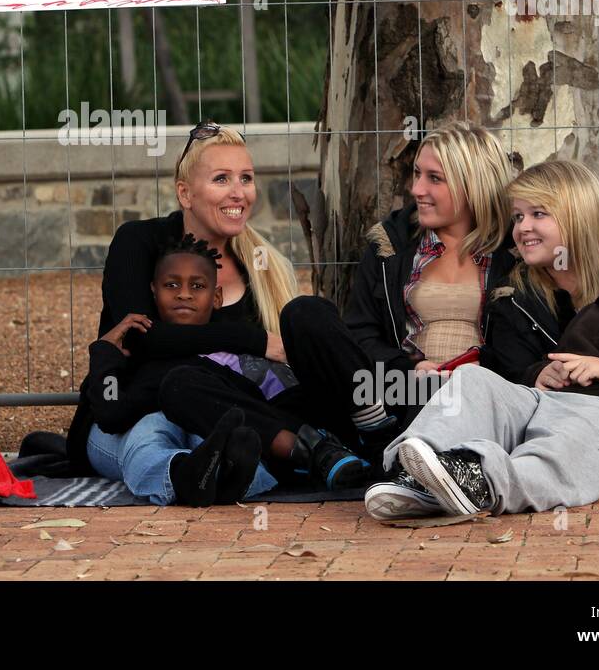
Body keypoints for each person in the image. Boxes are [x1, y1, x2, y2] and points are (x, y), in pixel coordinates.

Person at [165, 122, 529, 495]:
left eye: (433, 178)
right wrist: (408, 369)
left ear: (474, 185)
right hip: (386, 392)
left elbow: (522, 347)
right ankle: (364, 438)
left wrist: (471, 375)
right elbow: (362, 334)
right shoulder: (391, 247)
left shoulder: (513, 259)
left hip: (465, 399)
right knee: (300, 315)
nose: (416, 189)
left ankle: (356, 456)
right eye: (417, 174)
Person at [375, 181, 599, 518]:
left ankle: (480, 480)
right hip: (556, 406)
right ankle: (417, 477)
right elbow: (553, 366)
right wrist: (541, 372)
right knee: (474, 381)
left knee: (595, 423)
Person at [69, 120, 364, 505]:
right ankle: (185, 478)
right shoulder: (139, 241)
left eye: (246, 178)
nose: (238, 193)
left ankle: (228, 473)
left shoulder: (264, 266)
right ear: (185, 193)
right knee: (149, 440)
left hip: (218, 414)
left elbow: (265, 378)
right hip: (135, 408)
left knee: (238, 438)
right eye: (222, 179)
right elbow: (143, 338)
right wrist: (254, 340)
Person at [366, 156, 599, 518]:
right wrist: (535, 374)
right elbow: (509, 373)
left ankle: (472, 482)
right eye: (518, 217)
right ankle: (414, 473)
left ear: (578, 214)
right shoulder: (512, 297)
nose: (523, 227)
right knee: (462, 380)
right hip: (537, 417)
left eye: (539, 214)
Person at [84, 233, 267, 506]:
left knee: (224, 435)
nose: (184, 293)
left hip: (199, 420)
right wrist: (105, 352)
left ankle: (229, 480)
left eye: (197, 286)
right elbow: (110, 411)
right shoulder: (139, 346)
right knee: (148, 436)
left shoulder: (229, 351)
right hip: (124, 430)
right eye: (171, 285)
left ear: (216, 297)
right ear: (153, 291)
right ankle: (181, 477)